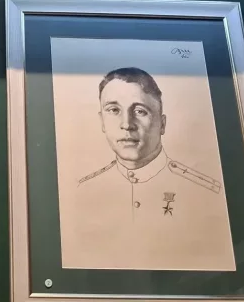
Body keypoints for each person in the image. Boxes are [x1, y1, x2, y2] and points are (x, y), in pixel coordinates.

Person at [69, 67, 235, 271]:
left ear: (162, 124)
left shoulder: (206, 193)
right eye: (113, 110)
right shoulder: (82, 192)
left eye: (140, 111)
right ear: (102, 121)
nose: (127, 124)